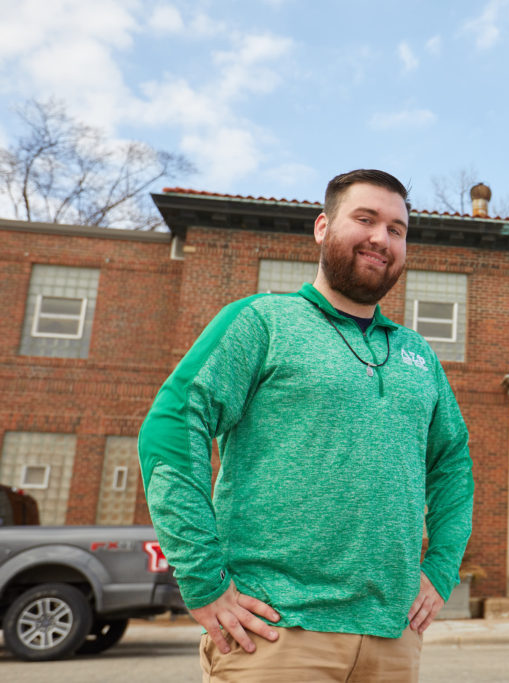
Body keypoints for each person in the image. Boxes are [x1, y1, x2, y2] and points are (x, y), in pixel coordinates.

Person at [138, 169, 474, 682]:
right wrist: (205, 582)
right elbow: (171, 428)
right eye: (365, 219)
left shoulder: (419, 355)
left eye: (397, 229)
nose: (381, 238)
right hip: (276, 636)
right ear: (323, 227)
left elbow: (453, 465)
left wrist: (441, 569)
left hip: (393, 642)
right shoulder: (262, 322)